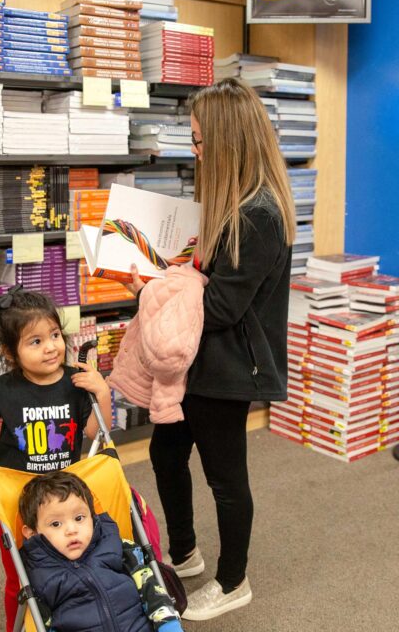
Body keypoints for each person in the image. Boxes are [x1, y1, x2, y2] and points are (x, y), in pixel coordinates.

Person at [125, 78, 295, 621]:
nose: (193, 150)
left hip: (226, 365)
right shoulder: (230, 202)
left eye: (199, 141)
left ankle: (233, 580)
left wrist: (153, 288)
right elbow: (207, 280)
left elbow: (220, 308)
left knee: (225, 477)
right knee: (166, 452)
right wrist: (173, 274)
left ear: (227, 142)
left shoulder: (258, 214)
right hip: (194, 358)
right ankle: (184, 554)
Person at [0, 285, 113, 631]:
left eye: (54, 335)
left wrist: (103, 393)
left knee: (72, 566)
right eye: (35, 342)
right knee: (21, 579)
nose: (50, 346)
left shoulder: (75, 382)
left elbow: (99, 433)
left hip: (66, 502)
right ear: (10, 352)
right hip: (15, 502)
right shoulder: (2, 389)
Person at [19, 470, 182, 632]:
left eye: (79, 518)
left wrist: (169, 626)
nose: (71, 530)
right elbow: (44, 624)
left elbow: (151, 589)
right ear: (32, 533)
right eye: (56, 524)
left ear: (92, 517)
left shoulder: (116, 546)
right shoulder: (38, 573)